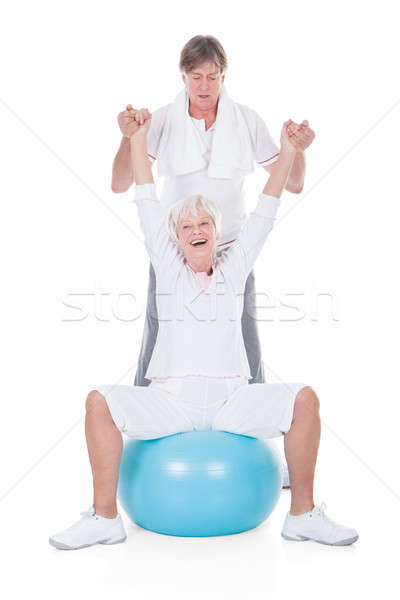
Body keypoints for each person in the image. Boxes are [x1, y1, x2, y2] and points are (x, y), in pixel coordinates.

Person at [49, 112, 358, 550]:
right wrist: (137, 140)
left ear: (216, 234)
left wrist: (289, 149)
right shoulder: (169, 271)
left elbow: (266, 212)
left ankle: (303, 516)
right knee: (99, 402)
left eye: (204, 225)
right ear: (175, 239)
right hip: (171, 404)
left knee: (304, 399)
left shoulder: (234, 271)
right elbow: (146, 201)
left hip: (232, 404)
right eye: (187, 227)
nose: (196, 231)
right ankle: (103, 519)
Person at [111, 35, 315, 390]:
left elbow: (293, 183)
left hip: (232, 247)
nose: (204, 85)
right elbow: (120, 183)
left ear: (224, 76)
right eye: (196, 77)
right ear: (183, 77)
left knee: (243, 331)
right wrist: (129, 137)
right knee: (159, 327)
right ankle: (144, 404)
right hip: (175, 248)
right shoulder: (160, 120)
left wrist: (297, 149)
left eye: (212, 76)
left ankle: (254, 405)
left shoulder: (246, 120)